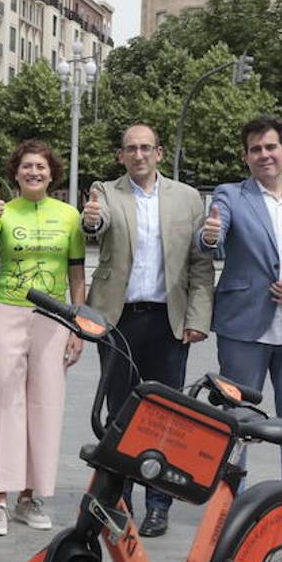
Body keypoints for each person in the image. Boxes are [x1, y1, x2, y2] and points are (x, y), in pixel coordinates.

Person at [200, 115, 282, 551]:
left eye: (271, 147)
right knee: (236, 423)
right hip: (244, 328)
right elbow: (214, 241)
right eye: (255, 149)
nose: (264, 155)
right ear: (246, 156)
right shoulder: (230, 196)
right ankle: (228, 516)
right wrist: (209, 236)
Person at [82, 123, 214, 537]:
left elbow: (199, 263)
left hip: (168, 320)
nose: (138, 155)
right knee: (119, 412)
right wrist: (91, 221)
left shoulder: (187, 198)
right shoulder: (105, 191)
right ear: (121, 156)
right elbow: (95, 227)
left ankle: (160, 503)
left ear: (158, 153)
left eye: (145, 148)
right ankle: (119, 500)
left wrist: (197, 318)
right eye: (130, 149)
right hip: (117, 319)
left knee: (168, 416)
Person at [0, 141, 84, 536]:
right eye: (27, 167)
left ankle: (29, 497)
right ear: (15, 173)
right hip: (9, 311)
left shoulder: (69, 216)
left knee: (45, 405)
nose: (34, 172)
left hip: (54, 317)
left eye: (41, 167)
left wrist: (77, 325)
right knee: (3, 403)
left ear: (52, 174)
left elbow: (76, 274)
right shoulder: (3, 210)